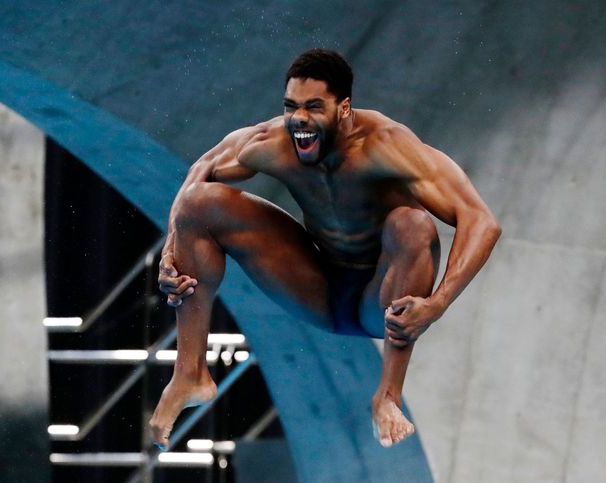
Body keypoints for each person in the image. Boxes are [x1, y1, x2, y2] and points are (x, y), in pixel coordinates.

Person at [149, 48, 501, 449]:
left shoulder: (386, 144)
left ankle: (387, 396)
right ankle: (190, 372)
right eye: (291, 107)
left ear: (344, 108)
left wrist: (437, 304)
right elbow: (202, 168)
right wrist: (169, 252)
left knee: (413, 224)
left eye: (314, 107)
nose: (299, 119)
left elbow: (481, 221)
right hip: (315, 286)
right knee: (199, 203)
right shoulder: (271, 142)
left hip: (380, 298)